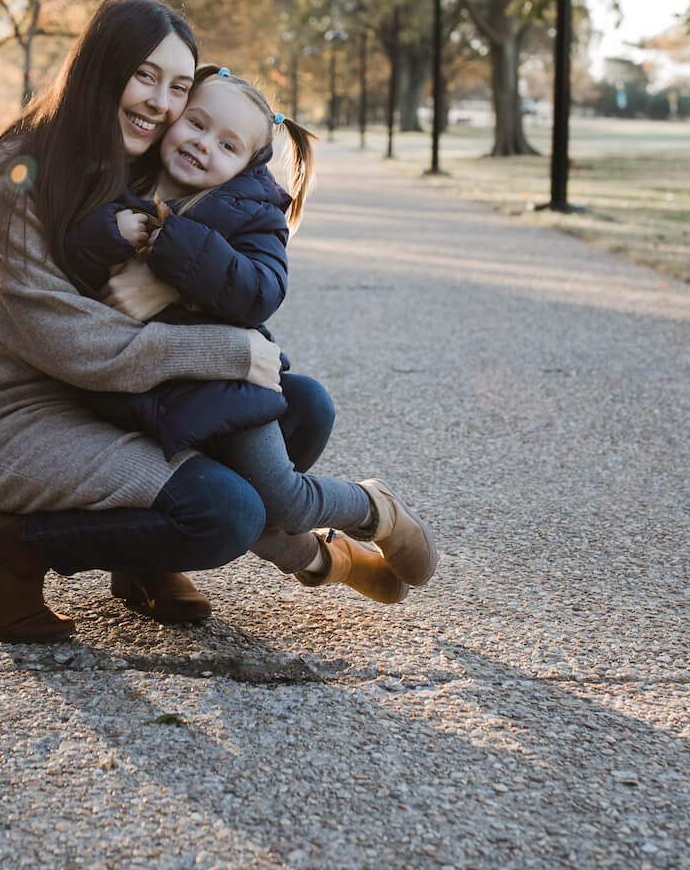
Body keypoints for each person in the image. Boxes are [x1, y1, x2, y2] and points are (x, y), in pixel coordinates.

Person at [0, 0, 344, 641]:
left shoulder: (143, 164)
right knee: (227, 514)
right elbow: (77, 348)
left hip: (123, 403)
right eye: (145, 75)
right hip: (32, 419)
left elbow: (235, 225)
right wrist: (229, 353)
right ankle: (12, 549)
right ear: (99, 69)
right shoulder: (9, 180)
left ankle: (143, 557)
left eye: (178, 86)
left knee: (303, 406)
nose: (160, 102)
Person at [62, 66, 436, 600]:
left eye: (227, 144)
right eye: (196, 123)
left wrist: (174, 247)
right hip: (147, 392)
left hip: (227, 386)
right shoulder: (125, 180)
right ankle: (327, 564)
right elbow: (71, 242)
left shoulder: (252, 214)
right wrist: (109, 231)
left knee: (280, 499)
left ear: (244, 165)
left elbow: (260, 291)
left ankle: (377, 509)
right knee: (233, 503)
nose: (202, 144)